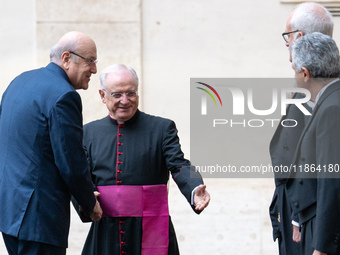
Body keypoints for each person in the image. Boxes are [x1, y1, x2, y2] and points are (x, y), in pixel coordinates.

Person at [76, 64, 210, 255]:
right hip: (106, 230)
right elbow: (79, 175)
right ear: (102, 95)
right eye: (117, 94)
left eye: (131, 93)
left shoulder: (161, 128)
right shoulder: (88, 133)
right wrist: (87, 198)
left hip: (152, 227)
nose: (125, 100)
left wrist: (195, 187)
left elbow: (179, 164)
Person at [0, 31, 103, 255]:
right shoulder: (64, 95)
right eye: (90, 61)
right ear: (66, 58)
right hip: (39, 219)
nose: (94, 69)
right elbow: (71, 162)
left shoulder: (19, 82)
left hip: (10, 213)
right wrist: (89, 203)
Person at [269, 3, 333, 255]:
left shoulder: (324, 93)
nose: (286, 43)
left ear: (301, 38)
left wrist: (297, 217)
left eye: (288, 35)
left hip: (311, 224)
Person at [286, 32, 340, 255]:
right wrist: (299, 218)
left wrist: (322, 246)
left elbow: (332, 182)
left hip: (324, 230)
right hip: (313, 220)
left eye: (295, 72)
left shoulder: (331, 108)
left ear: (306, 73)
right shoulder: (330, 99)